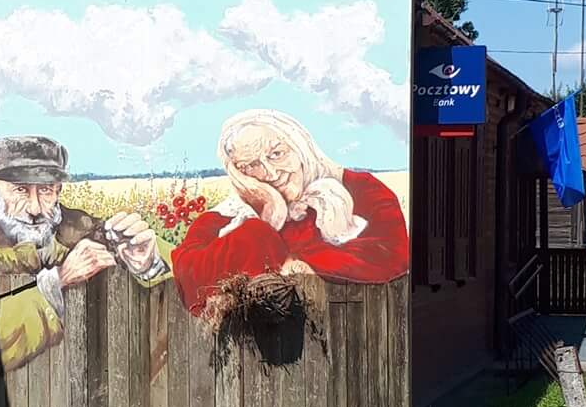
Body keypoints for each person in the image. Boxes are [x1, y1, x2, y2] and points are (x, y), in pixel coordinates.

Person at [0, 134, 164, 374]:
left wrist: (147, 262)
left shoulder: (75, 226)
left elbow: (157, 270)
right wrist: (58, 281)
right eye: (20, 190)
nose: (35, 209)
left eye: (45, 190)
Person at [171, 109, 408, 315]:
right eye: (251, 166)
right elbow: (190, 278)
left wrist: (299, 265)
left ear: (300, 146)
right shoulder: (229, 214)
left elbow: (391, 253)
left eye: (277, 154)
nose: (271, 174)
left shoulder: (360, 189)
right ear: (238, 173)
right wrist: (265, 224)